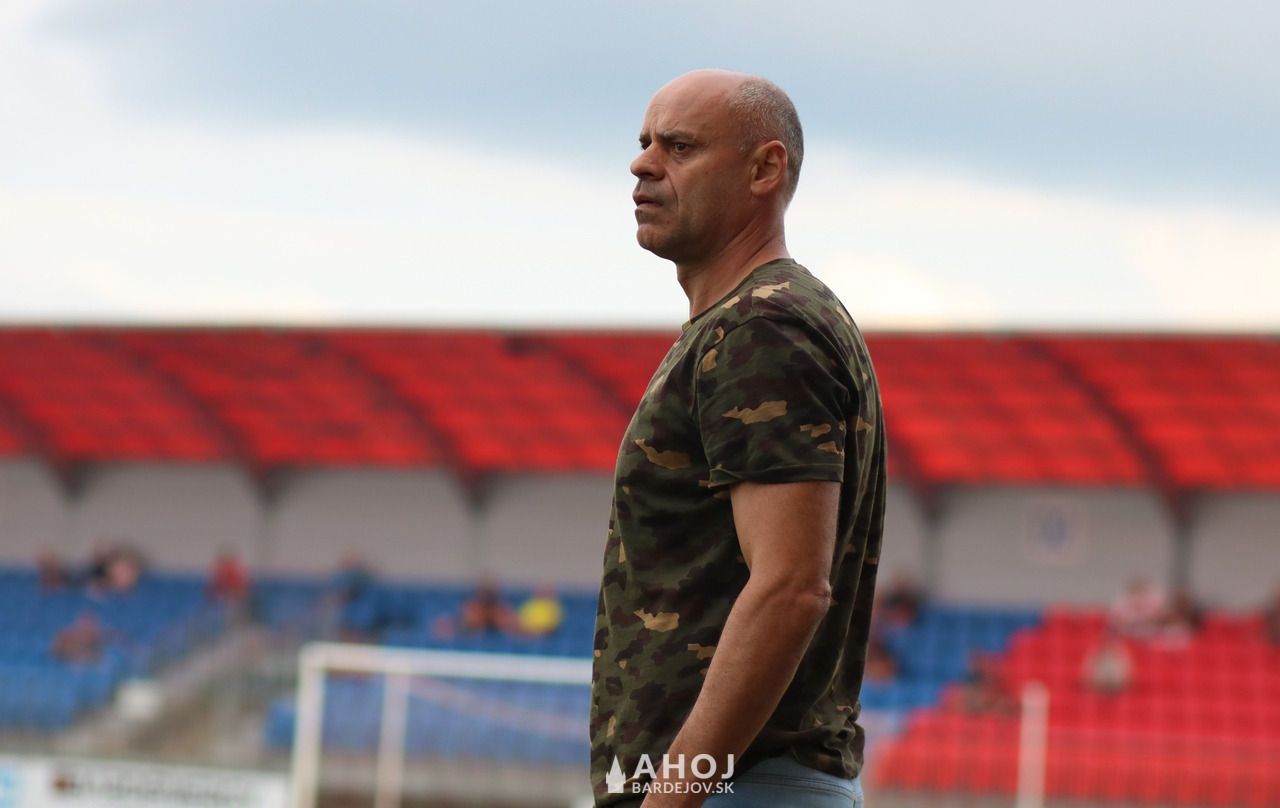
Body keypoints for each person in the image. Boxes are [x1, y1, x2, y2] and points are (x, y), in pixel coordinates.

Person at [590, 70, 886, 808]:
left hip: (738, 789)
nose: (642, 164)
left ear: (764, 169)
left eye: (679, 147)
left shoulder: (762, 327)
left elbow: (790, 588)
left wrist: (670, 798)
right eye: (645, 142)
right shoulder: (750, 321)